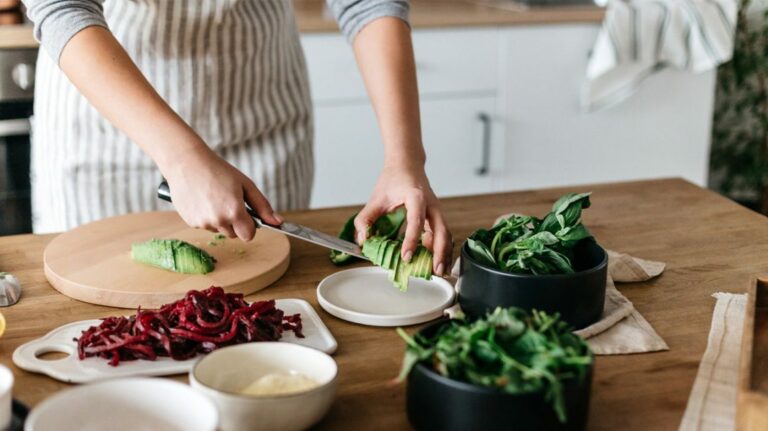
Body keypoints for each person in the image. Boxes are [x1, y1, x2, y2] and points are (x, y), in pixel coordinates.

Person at [23, 0, 453, 275]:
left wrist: (405, 160)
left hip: (258, 116)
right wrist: (183, 158)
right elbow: (63, 7)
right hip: (109, 129)